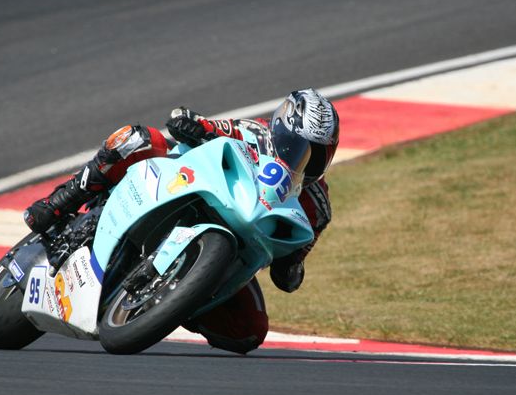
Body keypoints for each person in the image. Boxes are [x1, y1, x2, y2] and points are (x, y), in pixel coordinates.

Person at [23, 89, 339, 354]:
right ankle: (61, 201)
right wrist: (191, 124)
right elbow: (201, 125)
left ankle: (178, 300)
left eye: (318, 153)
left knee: (249, 332)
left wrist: (293, 267)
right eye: (298, 146)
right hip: (181, 185)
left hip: (233, 241)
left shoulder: (318, 205)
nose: (305, 157)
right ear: (280, 128)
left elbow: (293, 266)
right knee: (138, 139)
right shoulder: (252, 132)